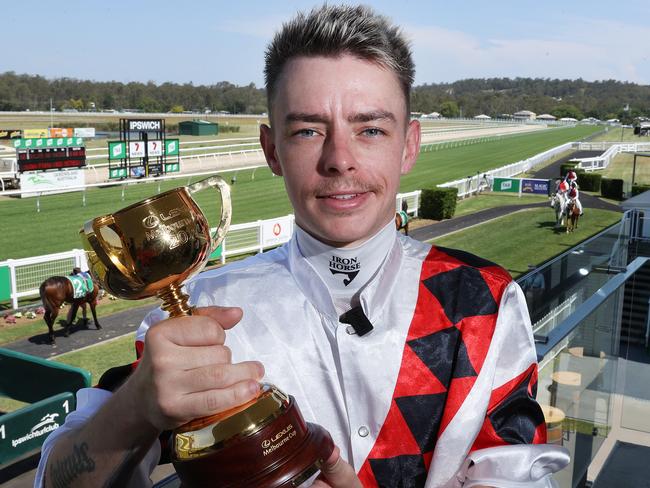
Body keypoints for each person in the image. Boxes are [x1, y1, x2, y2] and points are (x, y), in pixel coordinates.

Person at [35, 5, 569, 487]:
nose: (340, 159)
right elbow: (55, 480)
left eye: (371, 131)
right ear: (271, 150)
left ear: (409, 145)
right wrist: (133, 409)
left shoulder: (485, 301)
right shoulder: (197, 317)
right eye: (309, 131)